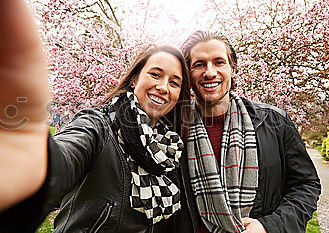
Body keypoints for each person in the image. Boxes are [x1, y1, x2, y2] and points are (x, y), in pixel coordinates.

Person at [0, 1, 193, 232]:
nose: (163, 87)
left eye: (174, 83)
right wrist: (30, 162)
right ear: (135, 80)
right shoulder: (99, 126)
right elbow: (65, 160)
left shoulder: (171, 149)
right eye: (155, 74)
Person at [179, 30, 321, 233]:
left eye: (219, 62)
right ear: (188, 73)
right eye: (199, 64)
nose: (209, 72)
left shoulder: (274, 121)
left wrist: (269, 226)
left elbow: (306, 184)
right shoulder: (176, 129)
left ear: (233, 68)